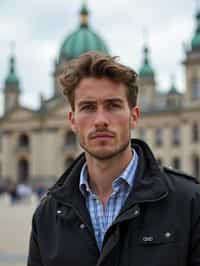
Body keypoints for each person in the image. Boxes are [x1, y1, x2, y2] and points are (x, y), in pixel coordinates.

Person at [27, 52, 200, 266]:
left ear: (134, 116)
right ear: (72, 120)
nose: (100, 120)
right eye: (88, 107)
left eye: (113, 105)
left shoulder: (191, 202)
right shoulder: (47, 215)